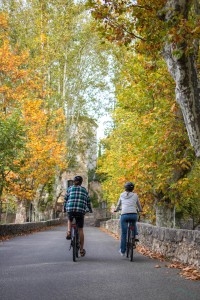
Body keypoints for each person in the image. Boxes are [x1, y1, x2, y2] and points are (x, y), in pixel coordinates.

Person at [64, 175, 92, 257]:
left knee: (69, 219)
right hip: (80, 211)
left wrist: (65, 209)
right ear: (81, 182)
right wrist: (90, 209)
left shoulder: (69, 189)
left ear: (73, 182)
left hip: (70, 209)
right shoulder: (84, 190)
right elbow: (88, 201)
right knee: (80, 229)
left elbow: (65, 200)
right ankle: (81, 250)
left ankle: (69, 231)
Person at [115, 182, 142, 257]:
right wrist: (140, 210)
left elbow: (118, 205)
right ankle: (134, 236)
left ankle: (122, 251)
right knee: (133, 223)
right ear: (132, 188)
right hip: (133, 214)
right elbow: (138, 205)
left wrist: (116, 209)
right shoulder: (135, 195)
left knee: (124, 233)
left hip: (124, 215)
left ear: (125, 188)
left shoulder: (121, 195)